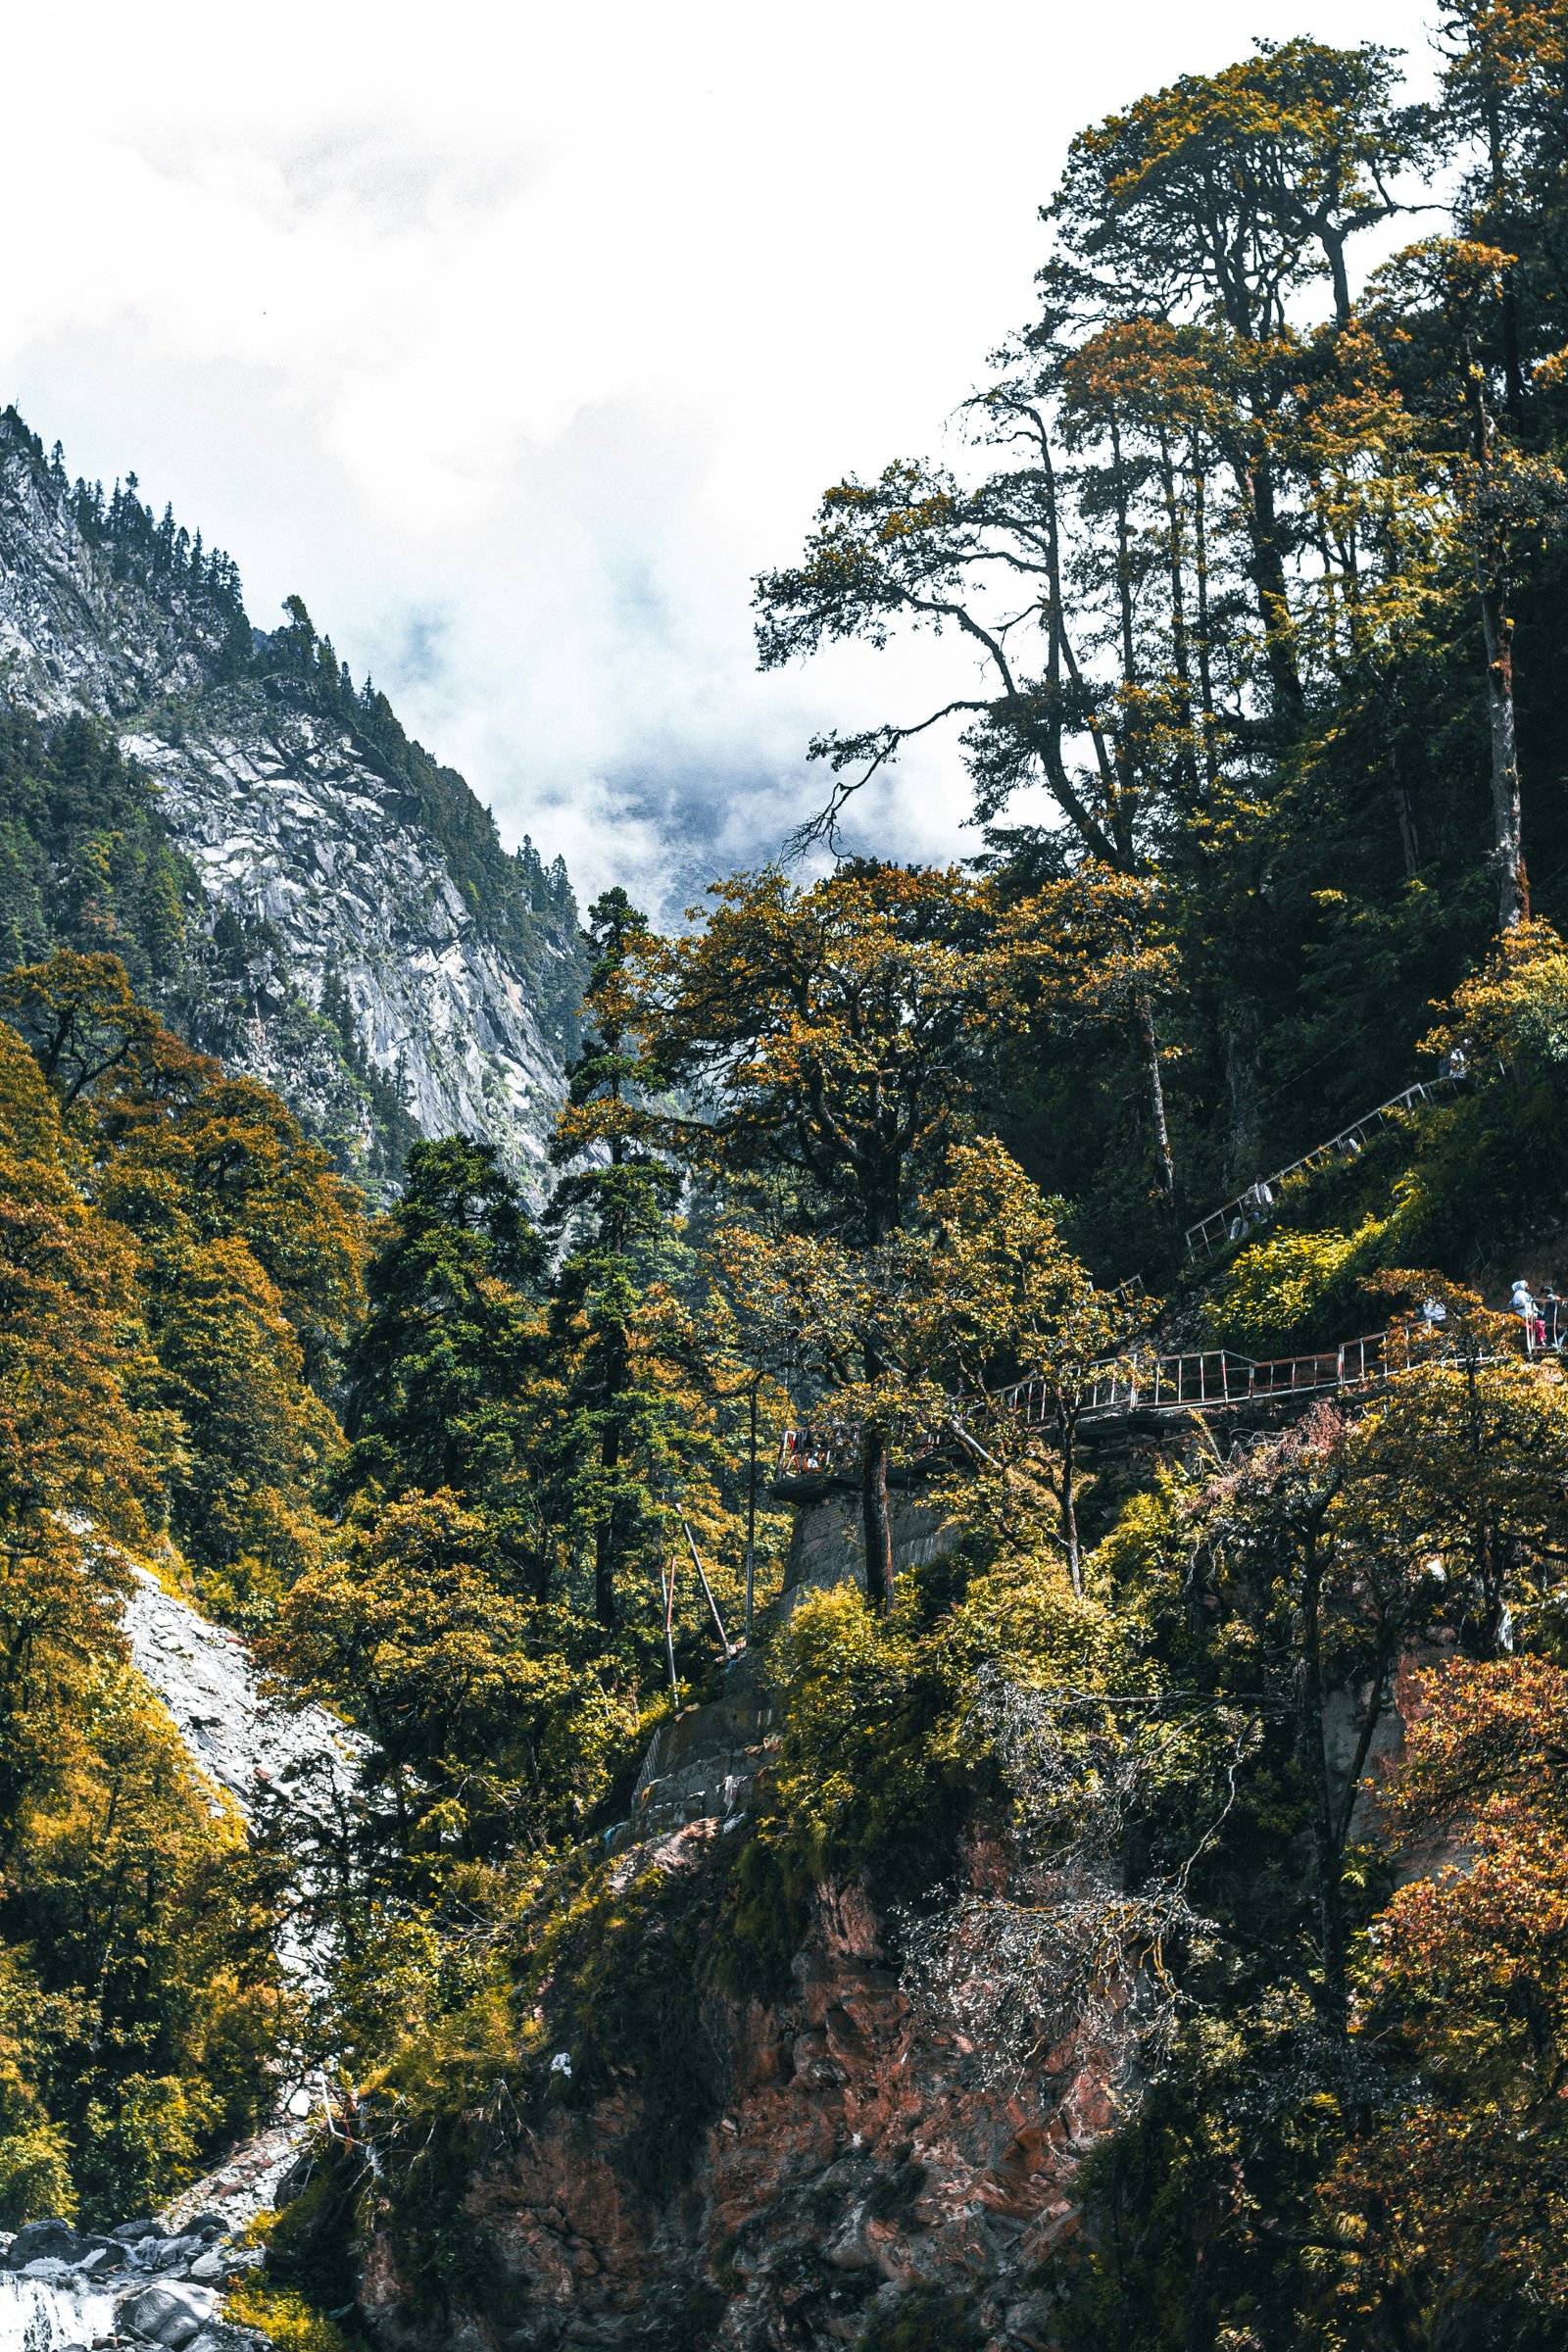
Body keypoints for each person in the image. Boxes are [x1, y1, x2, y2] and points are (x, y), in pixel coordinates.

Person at [1512, 1277, 1541, 1353]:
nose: (1528, 1287)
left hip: (1530, 1315)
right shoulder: (1518, 1294)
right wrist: (1528, 1314)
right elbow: (1524, 1305)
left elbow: (1532, 1305)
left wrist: (1537, 1312)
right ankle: (1529, 1348)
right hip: (1524, 1316)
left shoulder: (1526, 1294)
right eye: (1526, 1285)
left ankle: (1536, 1346)